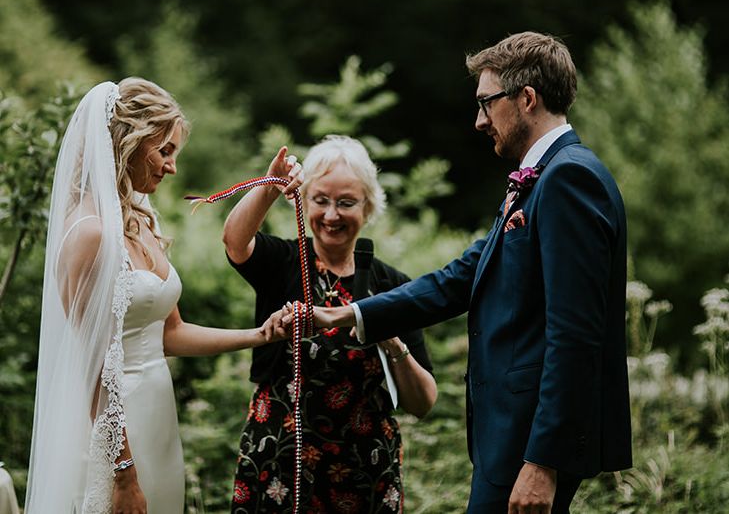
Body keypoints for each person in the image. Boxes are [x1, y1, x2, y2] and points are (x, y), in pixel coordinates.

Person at [290, 32, 632, 513]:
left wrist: (543, 462)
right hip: (511, 434)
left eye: (486, 103)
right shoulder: (540, 178)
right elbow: (463, 276)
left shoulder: (567, 179)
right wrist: (353, 314)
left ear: (526, 99)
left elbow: (576, 334)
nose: (479, 121)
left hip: (529, 441)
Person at [25, 78, 277, 514]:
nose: (173, 167)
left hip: (157, 417)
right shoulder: (89, 234)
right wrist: (123, 474)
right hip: (112, 437)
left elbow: (170, 333)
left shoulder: (143, 220)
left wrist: (260, 335)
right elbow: (92, 367)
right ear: (128, 143)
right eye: (165, 151)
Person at [222, 135, 438, 513]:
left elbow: (423, 402)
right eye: (320, 200)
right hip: (281, 457)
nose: (332, 215)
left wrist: (390, 339)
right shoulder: (284, 261)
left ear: (368, 207)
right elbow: (235, 242)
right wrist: (271, 187)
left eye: (346, 202)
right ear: (304, 201)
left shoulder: (392, 285)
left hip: (365, 468)